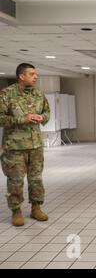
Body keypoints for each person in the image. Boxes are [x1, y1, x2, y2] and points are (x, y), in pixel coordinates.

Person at [0, 63, 50, 227]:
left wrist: (43, 118)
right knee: (15, 180)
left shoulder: (39, 94)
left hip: (35, 145)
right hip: (14, 147)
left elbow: (47, 112)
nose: (35, 77)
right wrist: (23, 118)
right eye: (32, 74)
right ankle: (16, 211)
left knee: (36, 178)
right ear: (21, 76)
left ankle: (36, 208)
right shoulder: (7, 94)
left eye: (35, 74)